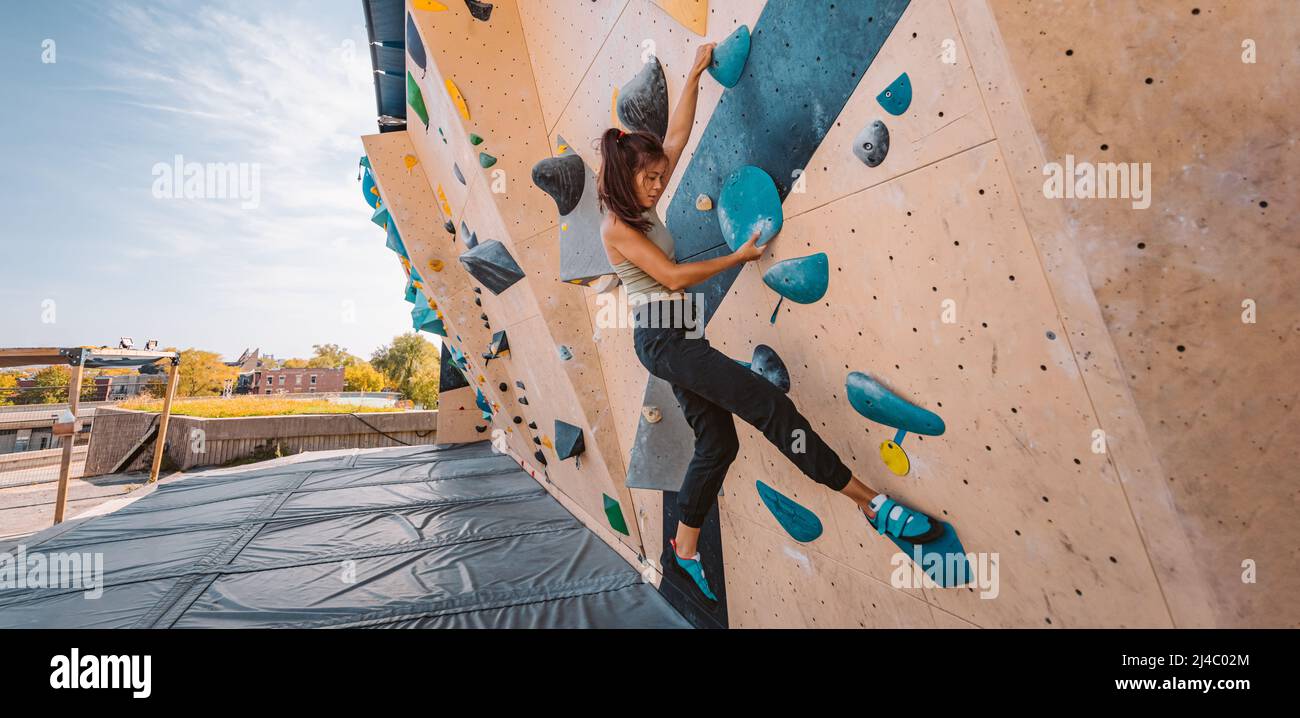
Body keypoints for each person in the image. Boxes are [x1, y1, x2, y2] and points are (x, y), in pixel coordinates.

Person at [596, 44, 942, 604]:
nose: (661, 186)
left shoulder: (640, 194)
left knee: (717, 443)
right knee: (769, 407)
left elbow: (677, 139)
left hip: (680, 336)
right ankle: (870, 503)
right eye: (652, 180)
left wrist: (694, 72)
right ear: (626, 177)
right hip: (664, 338)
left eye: (662, 178)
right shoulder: (616, 228)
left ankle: (682, 552)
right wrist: (738, 258)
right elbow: (674, 278)